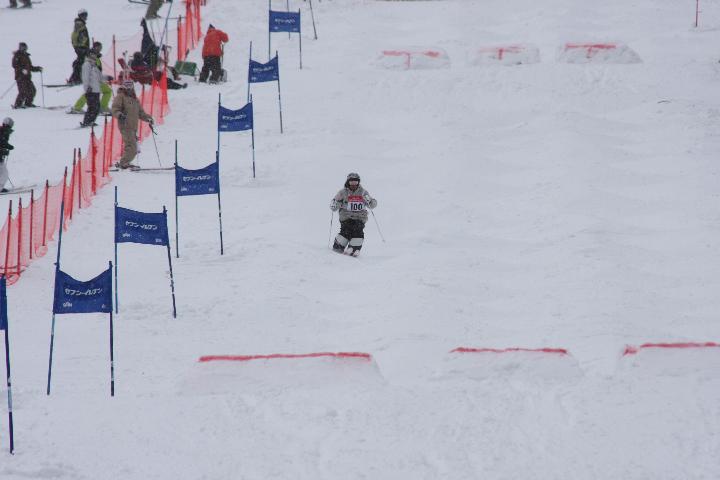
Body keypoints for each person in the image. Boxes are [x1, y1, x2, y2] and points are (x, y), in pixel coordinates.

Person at [330, 173, 377, 256]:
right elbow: (335, 204)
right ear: (348, 182)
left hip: (360, 217)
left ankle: (354, 248)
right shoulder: (342, 192)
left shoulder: (363, 192)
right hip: (346, 216)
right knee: (346, 230)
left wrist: (370, 201)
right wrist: (335, 204)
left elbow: (372, 205)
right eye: (351, 182)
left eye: (355, 182)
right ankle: (338, 246)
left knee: (358, 229)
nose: (353, 184)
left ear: (358, 182)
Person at [111, 81, 154, 170]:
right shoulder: (120, 96)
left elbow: (140, 113)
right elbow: (115, 109)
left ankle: (125, 162)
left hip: (133, 126)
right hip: (125, 126)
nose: (129, 88)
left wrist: (148, 118)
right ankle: (124, 163)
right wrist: (119, 115)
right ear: (123, 87)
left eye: (130, 86)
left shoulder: (135, 99)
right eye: (127, 86)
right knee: (132, 146)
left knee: (132, 146)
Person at [69, 42, 113, 115]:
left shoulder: (94, 56)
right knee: (106, 91)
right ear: (95, 47)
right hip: (93, 80)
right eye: (99, 47)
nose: (100, 49)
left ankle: (77, 107)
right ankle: (102, 107)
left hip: (94, 79)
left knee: (90, 93)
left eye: (101, 47)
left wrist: (105, 77)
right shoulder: (92, 56)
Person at [11, 42, 42, 109]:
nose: (24, 49)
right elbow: (14, 65)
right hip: (20, 77)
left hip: (27, 77)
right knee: (23, 91)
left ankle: (28, 103)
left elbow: (30, 67)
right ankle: (18, 105)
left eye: (25, 47)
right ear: (19, 48)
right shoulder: (17, 55)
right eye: (22, 47)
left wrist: (37, 69)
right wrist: (22, 70)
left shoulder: (26, 56)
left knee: (32, 90)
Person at [80, 50, 102, 127]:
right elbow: (85, 77)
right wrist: (87, 87)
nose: (94, 56)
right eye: (92, 54)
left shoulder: (94, 65)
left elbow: (99, 77)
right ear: (89, 55)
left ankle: (91, 121)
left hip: (96, 90)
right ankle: (87, 122)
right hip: (91, 90)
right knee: (92, 107)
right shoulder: (87, 64)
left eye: (95, 54)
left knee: (96, 107)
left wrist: (107, 78)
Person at [68, 9, 89, 85]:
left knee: (80, 62)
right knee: (80, 62)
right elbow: (75, 35)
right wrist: (80, 45)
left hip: (81, 47)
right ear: (81, 16)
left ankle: (75, 78)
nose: (86, 17)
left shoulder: (80, 23)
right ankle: (75, 78)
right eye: (84, 15)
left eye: (86, 15)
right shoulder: (79, 24)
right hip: (81, 47)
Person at [0, 118, 15, 193]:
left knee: (3, 173)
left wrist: (5, 150)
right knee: (4, 174)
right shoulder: (2, 132)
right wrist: (7, 147)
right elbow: (2, 142)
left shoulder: (3, 132)